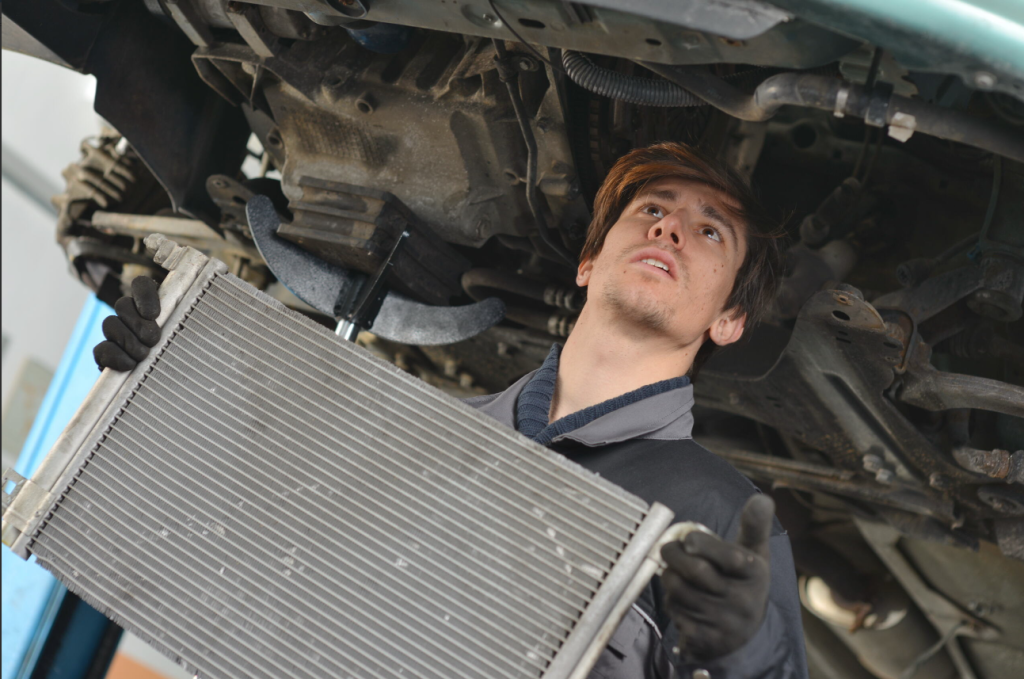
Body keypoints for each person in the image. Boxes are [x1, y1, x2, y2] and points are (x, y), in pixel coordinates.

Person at [95, 142, 807, 679]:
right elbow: (257, 541)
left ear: (731, 320)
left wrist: (751, 651)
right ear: (588, 263)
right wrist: (160, 379)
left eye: (710, 231)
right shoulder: (426, 434)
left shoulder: (717, 517)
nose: (670, 229)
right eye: (651, 210)